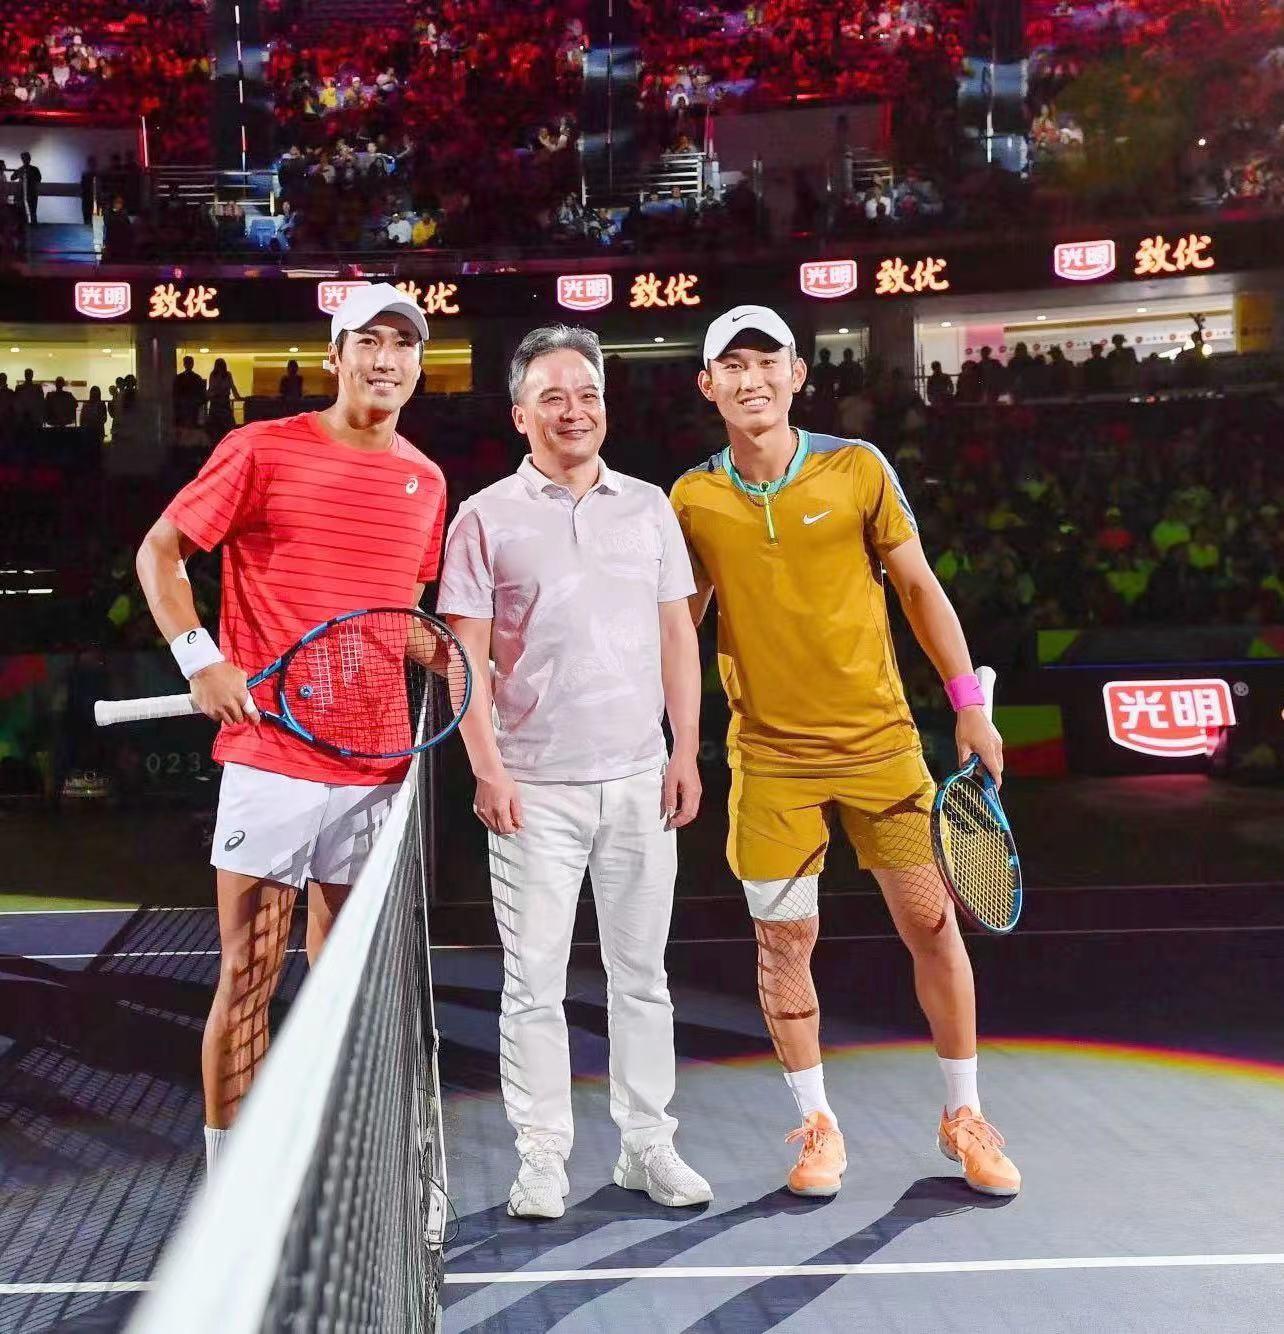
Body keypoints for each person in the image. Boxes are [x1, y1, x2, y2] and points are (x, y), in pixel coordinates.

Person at [669, 305, 1020, 1200]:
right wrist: (657, 728)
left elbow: (919, 587)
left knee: (933, 927)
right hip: (770, 762)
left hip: (881, 750)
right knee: (784, 942)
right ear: (708, 386)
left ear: (797, 375)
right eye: (731, 366)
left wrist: (968, 707)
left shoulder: (857, 467)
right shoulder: (691, 500)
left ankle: (965, 1115)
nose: (751, 379)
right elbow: (679, 627)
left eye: (767, 362)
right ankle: (818, 1125)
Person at [133, 284, 446, 1174]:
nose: (386, 359)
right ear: (335, 356)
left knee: (345, 980)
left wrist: (465, 659)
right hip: (272, 759)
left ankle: (330, 1159)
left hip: (375, 764)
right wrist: (200, 658)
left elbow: (397, 617)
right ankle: (230, 1172)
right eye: (369, 341)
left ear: (418, 366)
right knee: (251, 972)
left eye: (404, 345)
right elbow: (160, 552)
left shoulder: (427, 481)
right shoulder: (260, 449)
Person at [437, 324, 711, 1220]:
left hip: (639, 781)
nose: (573, 410)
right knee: (534, 987)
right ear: (521, 415)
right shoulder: (484, 517)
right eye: (551, 397)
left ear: (604, 407)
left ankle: (647, 1146)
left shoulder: (649, 507)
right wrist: (487, 768)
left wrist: (684, 749)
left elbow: (677, 636)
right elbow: (463, 658)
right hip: (534, 790)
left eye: (586, 394)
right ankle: (542, 1158)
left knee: (643, 979)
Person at [206, 358, 241, 441]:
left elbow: (232, 386)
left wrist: (237, 396)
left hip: (223, 402)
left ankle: (227, 439)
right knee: (217, 424)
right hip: (217, 402)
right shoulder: (214, 375)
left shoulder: (227, 375)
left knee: (226, 424)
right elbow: (212, 388)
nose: (220, 367)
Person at [173, 355, 207, 430]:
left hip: (190, 408)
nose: (189, 365)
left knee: (189, 428)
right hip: (186, 408)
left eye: (190, 363)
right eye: (187, 363)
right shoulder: (195, 378)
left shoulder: (181, 378)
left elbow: (202, 394)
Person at [11, 153, 41, 225]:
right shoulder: (21, 169)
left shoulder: (33, 169)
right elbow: (12, 177)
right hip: (23, 194)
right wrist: (20, 175)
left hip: (31, 193)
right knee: (24, 212)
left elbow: (39, 179)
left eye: (26, 158)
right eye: (24, 159)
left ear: (29, 159)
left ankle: (32, 226)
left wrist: (28, 176)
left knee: (32, 211)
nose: (25, 160)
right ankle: (26, 226)